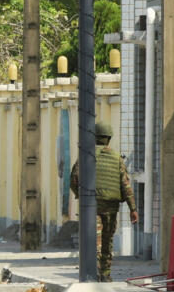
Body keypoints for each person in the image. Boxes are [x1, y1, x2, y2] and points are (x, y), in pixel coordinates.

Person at [69, 121, 138, 283]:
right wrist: (133, 209)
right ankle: (105, 275)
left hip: (91, 207)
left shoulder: (85, 156)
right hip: (111, 207)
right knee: (108, 241)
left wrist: (81, 195)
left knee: (95, 241)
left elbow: (73, 179)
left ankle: (94, 274)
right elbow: (125, 185)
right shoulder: (117, 158)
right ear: (109, 138)